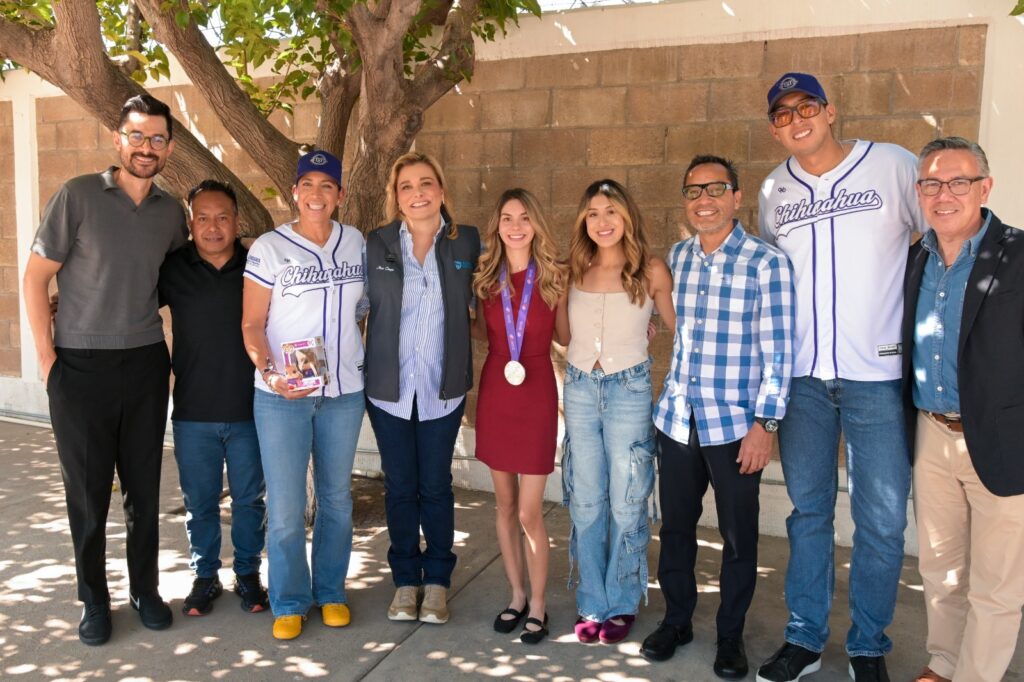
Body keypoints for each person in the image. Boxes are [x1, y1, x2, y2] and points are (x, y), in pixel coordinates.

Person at [755, 73, 926, 682]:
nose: (796, 120)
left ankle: (868, 645)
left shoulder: (893, 165)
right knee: (808, 513)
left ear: (830, 111)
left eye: (806, 107)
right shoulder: (774, 189)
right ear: (774, 129)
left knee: (882, 520)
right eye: (782, 114)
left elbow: (937, 242)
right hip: (803, 381)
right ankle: (804, 638)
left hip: (877, 376)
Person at [22, 94, 187, 645]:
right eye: (137, 136)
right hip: (79, 366)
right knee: (88, 494)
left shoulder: (170, 213)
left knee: (144, 488)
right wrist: (48, 362)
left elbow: (175, 280)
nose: (146, 147)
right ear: (118, 139)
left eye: (157, 138)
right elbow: (34, 278)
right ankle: (94, 599)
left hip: (144, 362)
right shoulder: (77, 196)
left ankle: (145, 590)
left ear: (169, 147)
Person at [641, 156, 795, 678]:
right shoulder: (677, 258)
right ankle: (677, 620)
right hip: (677, 420)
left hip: (735, 428)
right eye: (693, 191)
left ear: (736, 197)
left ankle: (730, 635)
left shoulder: (766, 263)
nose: (703, 199)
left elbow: (779, 354)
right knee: (675, 530)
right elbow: (659, 320)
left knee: (738, 538)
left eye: (715, 189)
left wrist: (765, 426)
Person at [901, 137, 1024, 682]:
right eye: (931, 183)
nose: (943, 194)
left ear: (985, 188)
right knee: (940, 568)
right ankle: (945, 663)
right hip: (932, 432)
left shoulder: (1017, 255)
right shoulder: (915, 258)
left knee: (996, 583)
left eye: (958, 182)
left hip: (1002, 436)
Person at [241, 150, 366, 640]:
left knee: (336, 499)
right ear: (294, 192)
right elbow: (252, 324)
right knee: (287, 506)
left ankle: (331, 591)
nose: (317, 194)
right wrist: (271, 373)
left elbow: (365, 309)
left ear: (340, 194)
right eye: (308, 185)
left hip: (343, 392)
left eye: (327, 185)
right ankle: (290, 599)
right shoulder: (269, 248)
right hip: (282, 395)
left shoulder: (355, 242)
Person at [364, 152, 480, 625]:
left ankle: (436, 583)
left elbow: (491, 296)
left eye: (426, 183)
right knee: (399, 487)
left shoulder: (467, 241)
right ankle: (405, 581)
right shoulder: (375, 244)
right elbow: (355, 306)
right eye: (406, 186)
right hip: (388, 389)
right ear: (396, 197)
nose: (417, 193)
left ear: (441, 190)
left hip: (442, 387)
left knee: (435, 486)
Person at [560, 178, 675, 645]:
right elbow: (563, 335)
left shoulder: (651, 270)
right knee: (587, 499)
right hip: (580, 389)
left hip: (629, 389)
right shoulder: (573, 269)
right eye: (592, 213)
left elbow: (679, 326)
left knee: (627, 500)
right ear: (583, 221)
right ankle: (592, 599)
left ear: (627, 216)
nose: (602, 221)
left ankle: (623, 600)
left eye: (610, 211)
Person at [158, 180, 268, 617]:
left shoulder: (258, 263)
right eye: (202, 218)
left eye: (223, 217)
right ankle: (205, 577)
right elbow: (125, 299)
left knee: (249, 502)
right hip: (193, 411)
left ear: (237, 221)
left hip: (250, 410)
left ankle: (248, 574)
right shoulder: (172, 268)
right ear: (190, 223)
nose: (213, 226)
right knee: (200, 504)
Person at [471, 188, 567, 644]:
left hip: (537, 394)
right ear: (497, 226)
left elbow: (568, 335)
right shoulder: (484, 281)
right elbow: (477, 331)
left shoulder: (554, 277)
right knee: (505, 505)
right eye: (507, 217)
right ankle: (516, 595)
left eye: (524, 217)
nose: (515, 226)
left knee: (530, 512)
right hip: (497, 392)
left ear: (536, 224)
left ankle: (540, 604)